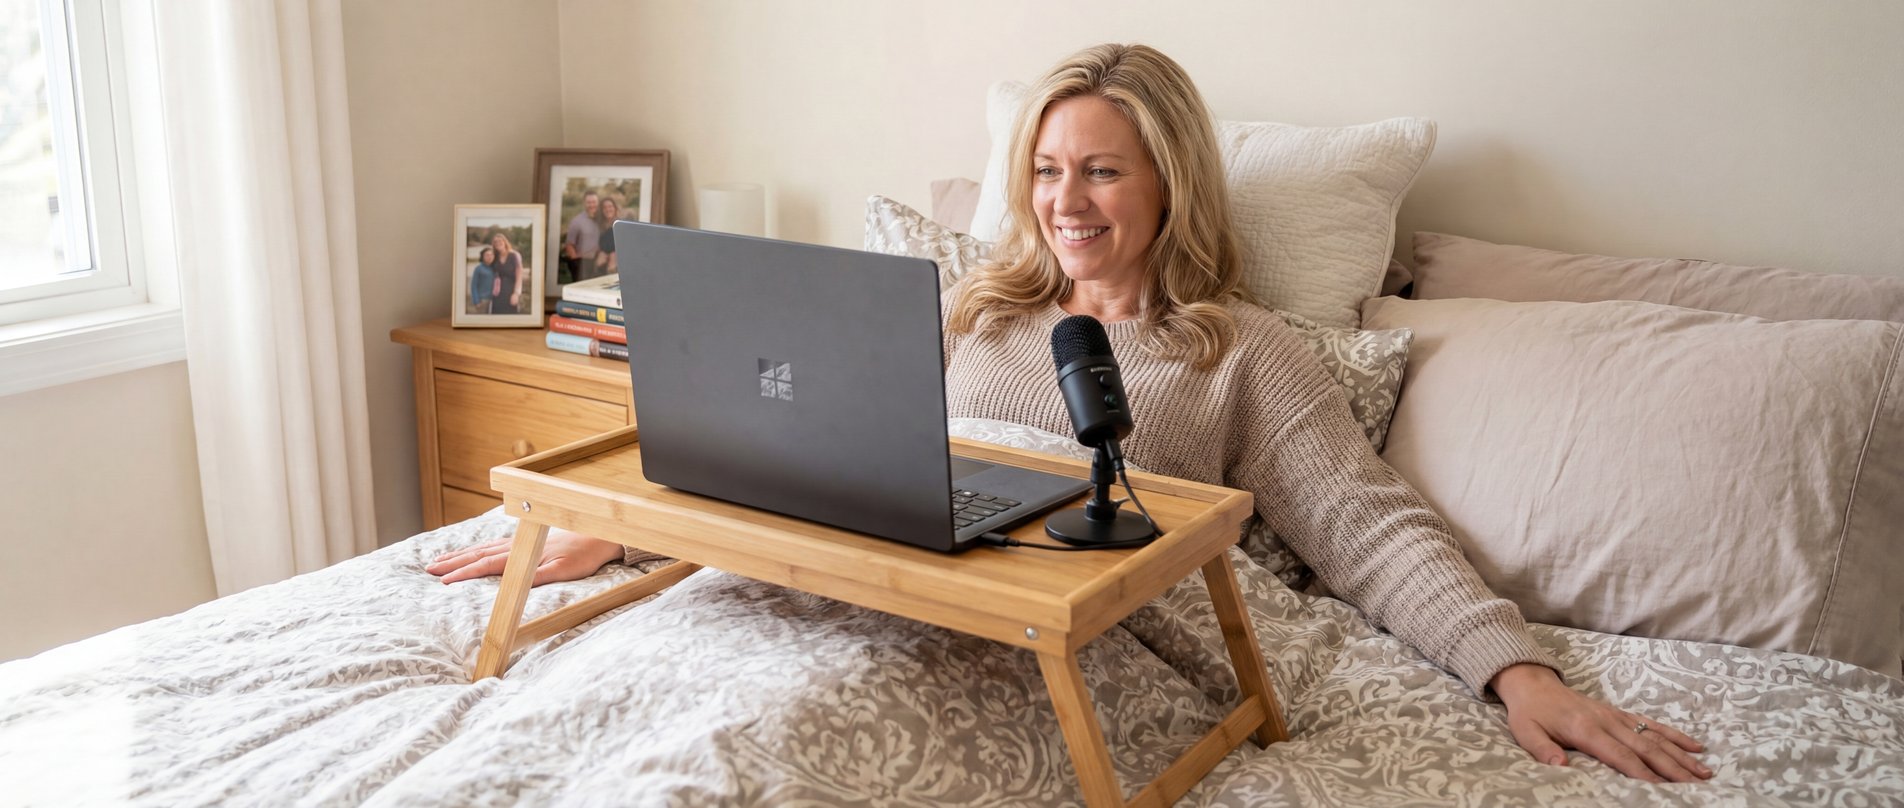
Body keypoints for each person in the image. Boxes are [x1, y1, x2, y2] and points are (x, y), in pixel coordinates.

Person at [429, 43, 1712, 785]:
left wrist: (1516, 666)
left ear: (1170, 184)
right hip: (872, 584)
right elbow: (818, 464)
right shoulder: (969, 312)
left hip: (1063, 629)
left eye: (1100, 169)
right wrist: (630, 535)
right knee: (625, 722)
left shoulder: (1239, 351)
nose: (1065, 200)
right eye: (1046, 170)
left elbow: (1368, 528)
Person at [563, 190, 603, 281]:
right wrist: (576, 262)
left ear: (598, 203)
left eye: (594, 202)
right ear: (584, 203)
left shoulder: (602, 219)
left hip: (599, 263)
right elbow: (569, 244)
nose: (592, 205)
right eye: (589, 202)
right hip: (583, 262)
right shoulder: (577, 221)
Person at [489, 232, 526, 314]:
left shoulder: (514, 255)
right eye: (495, 242)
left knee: (511, 315)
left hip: (511, 290)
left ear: (505, 242)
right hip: (498, 292)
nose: (498, 243)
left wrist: (516, 293)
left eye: (500, 241)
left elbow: (519, 276)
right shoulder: (495, 257)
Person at [592, 196, 623, 277]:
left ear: (615, 208)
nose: (607, 209)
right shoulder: (599, 225)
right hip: (603, 256)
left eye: (610, 206)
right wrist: (602, 253)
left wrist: (613, 254)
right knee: (599, 264)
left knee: (612, 267)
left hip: (617, 258)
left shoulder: (620, 224)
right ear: (601, 211)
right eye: (604, 207)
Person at [468, 246, 497, 314]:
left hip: (495, 300)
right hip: (483, 300)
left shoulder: (496, 268)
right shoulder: (479, 269)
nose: (489, 257)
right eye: (487, 255)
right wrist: (476, 300)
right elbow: (473, 286)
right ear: (482, 257)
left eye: (491, 255)